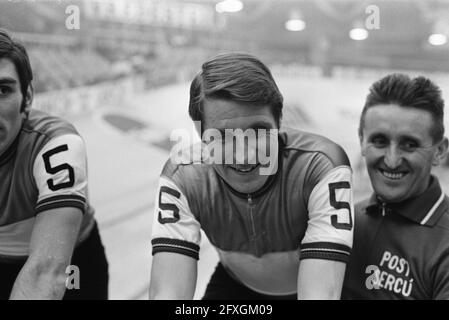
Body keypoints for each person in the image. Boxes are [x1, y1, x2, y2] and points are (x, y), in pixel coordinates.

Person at [149, 52, 354, 300]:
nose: (244, 156)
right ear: (200, 135)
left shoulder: (320, 166)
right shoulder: (182, 176)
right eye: (223, 137)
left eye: (258, 132)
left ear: (279, 122)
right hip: (237, 284)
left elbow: (320, 295)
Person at [0, 29, 108, 299]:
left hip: (71, 263)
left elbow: (46, 271)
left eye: (2, 90)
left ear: (27, 98)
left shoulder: (57, 145)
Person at [342, 74, 449, 299]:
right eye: (379, 141)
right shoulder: (347, 222)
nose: (391, 160)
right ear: (361, 140)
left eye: (409, 144)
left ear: (439, 151)